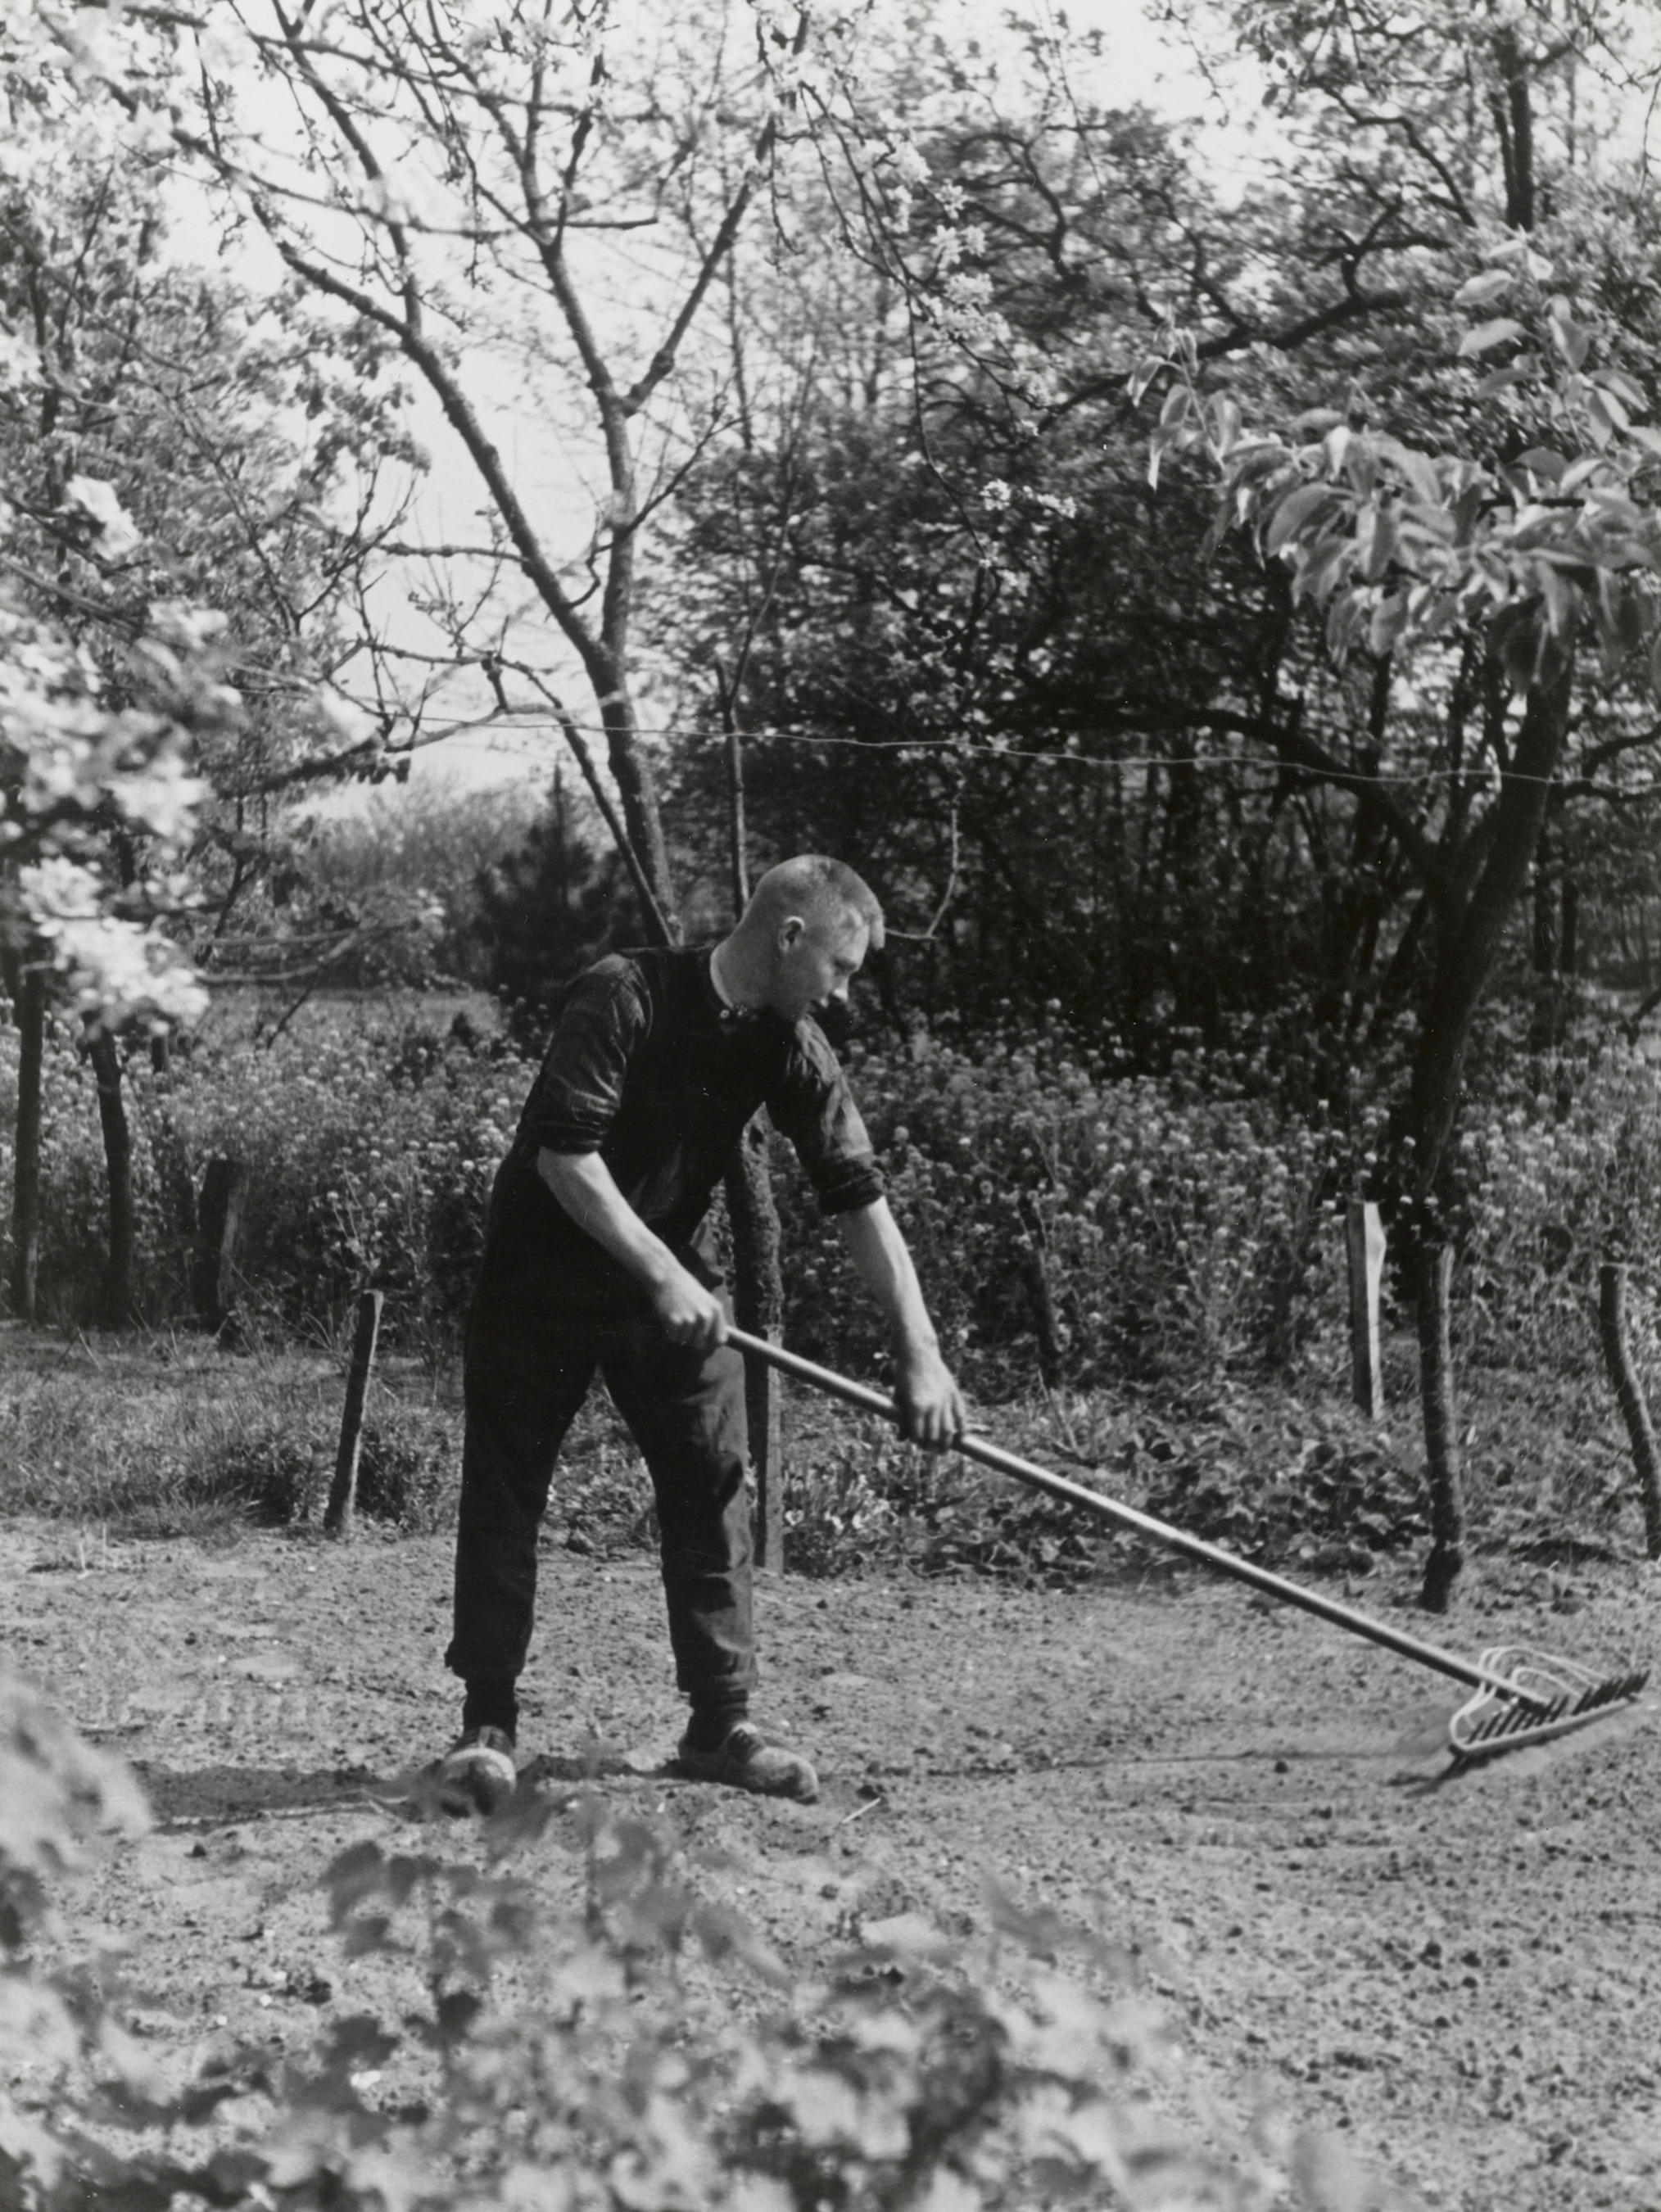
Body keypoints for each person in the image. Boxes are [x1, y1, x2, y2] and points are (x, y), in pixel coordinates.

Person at [435, 854, 965, 1812]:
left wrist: (919, 1352)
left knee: (713, 1479)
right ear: (789, 936)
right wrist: (665, 1274)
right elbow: (567, 1159)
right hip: (541, 1278)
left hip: (672, 1286)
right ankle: (487, 1724)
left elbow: (859, 1198)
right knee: (509, 1489)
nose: (843, 998)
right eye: (840, 971)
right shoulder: (624, 993)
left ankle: (720, 1723)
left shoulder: (792, 1043)